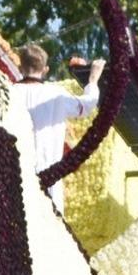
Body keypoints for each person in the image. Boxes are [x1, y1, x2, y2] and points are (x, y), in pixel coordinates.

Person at [13, 44, 106, 195]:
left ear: (19, 68)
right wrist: (93, 78)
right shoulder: (56, 94)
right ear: (45, 70)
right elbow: (87, 104)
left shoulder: (9, 92)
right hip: (49, 180)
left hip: (14, 176)